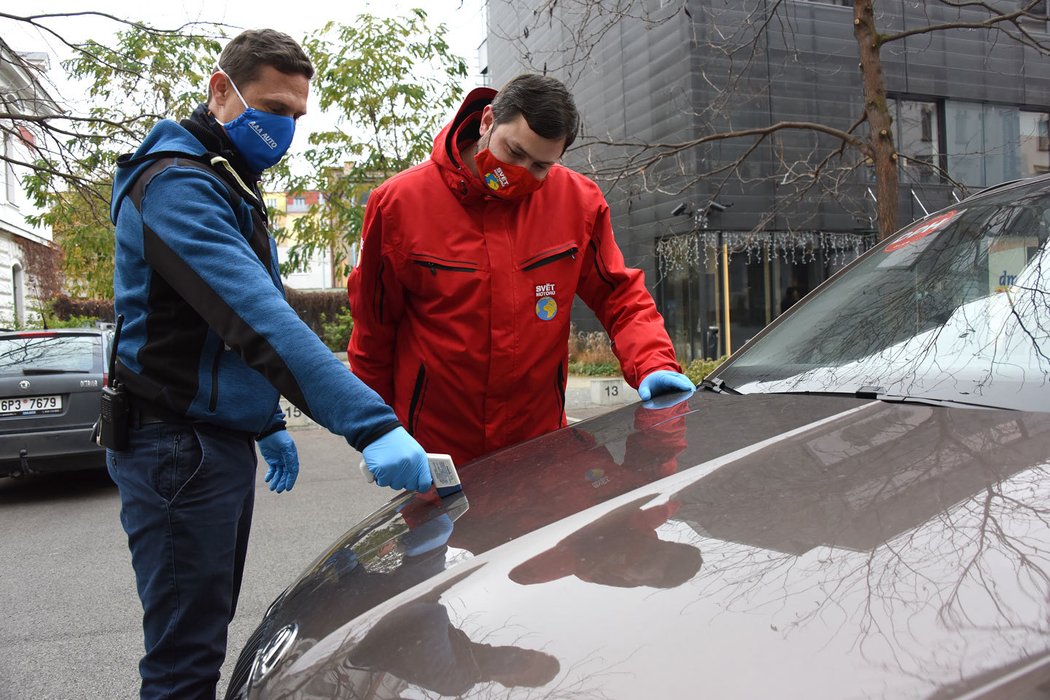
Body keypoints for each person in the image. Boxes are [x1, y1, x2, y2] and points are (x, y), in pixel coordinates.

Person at [107, 29, 432, 699]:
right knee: (184, 658)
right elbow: (255, 315)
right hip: (175, 445)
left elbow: (210, 331)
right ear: (220, 90)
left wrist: (263, 419)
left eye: (296, 114)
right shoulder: (175, 185)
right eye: (272, 106)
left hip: (205, 438)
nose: (283, 127)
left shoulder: (224, 180)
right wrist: (370, 424)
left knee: (204, 630)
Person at [347, 73, 694, 467]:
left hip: (539, 446)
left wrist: (654, 363)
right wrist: (374, 429)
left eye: (541, 166)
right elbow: (374, 330)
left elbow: (620, 295)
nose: (522, 174)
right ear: (488, 120)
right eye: (513, 153)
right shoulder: (398, 204)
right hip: (438, 453)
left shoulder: (577, 202)